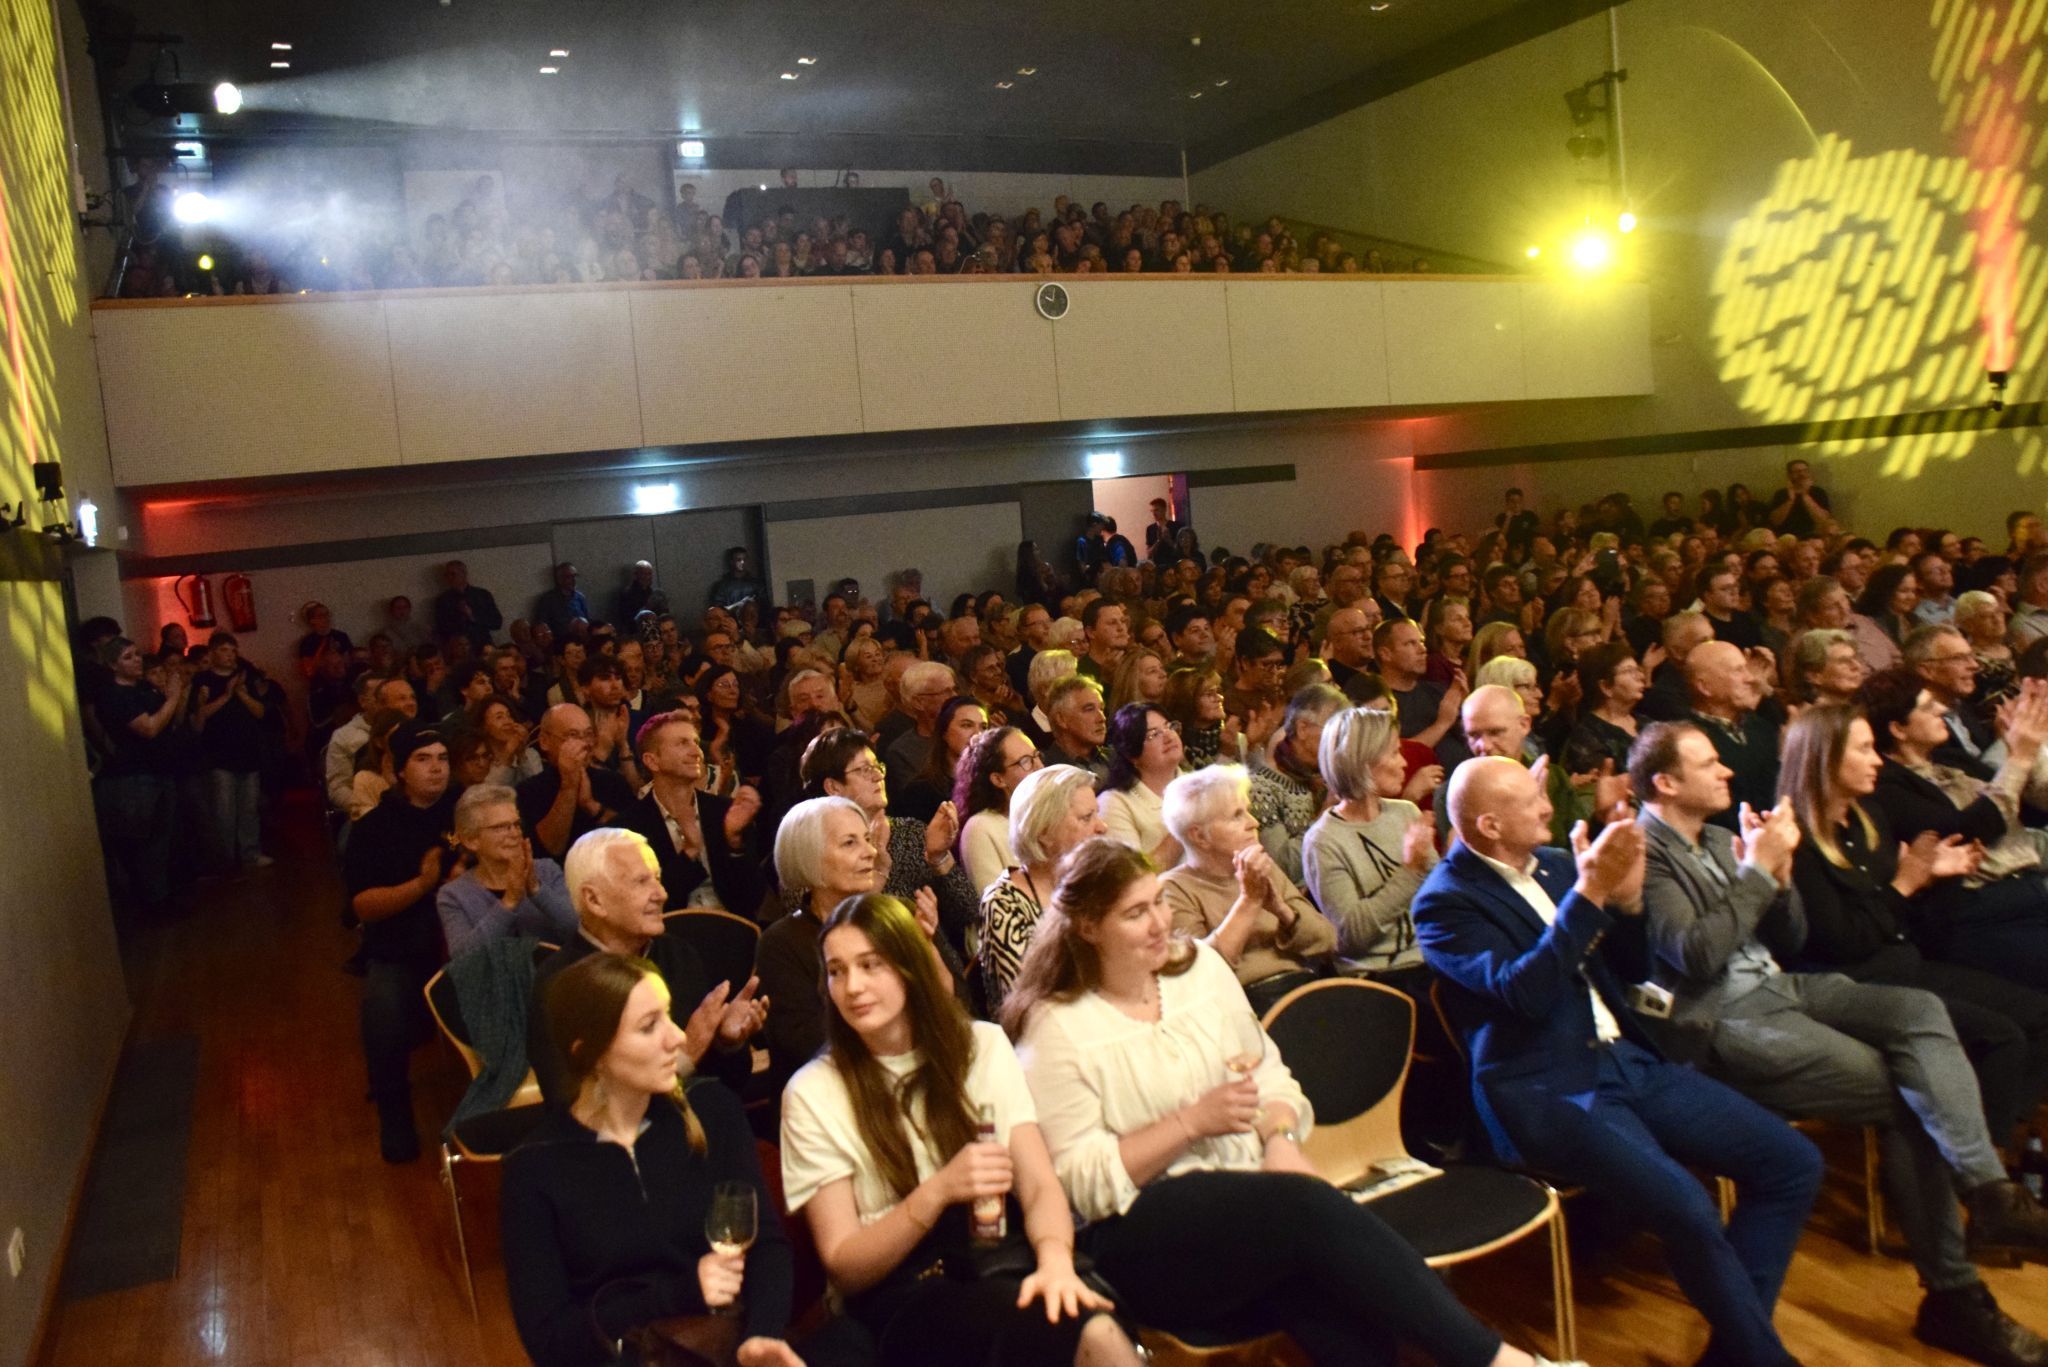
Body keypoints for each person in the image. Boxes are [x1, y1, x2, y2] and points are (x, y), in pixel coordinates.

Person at [1008, 838, 1574, 1367]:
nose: (1161, 923)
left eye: (1159, 902)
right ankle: (1501, 1361)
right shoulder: (1058, 1026)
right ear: (1086, 928)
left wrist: (1278, 1137)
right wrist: (1189, 1123)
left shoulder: (1199, 971)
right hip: (1144, 1239)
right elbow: (1078, 1183)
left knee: (1332, 1296)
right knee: (1303, 1213)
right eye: (1136, 914)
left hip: (1257, 1208)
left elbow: (1268, 1075)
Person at [1632, 721, 2048, 1360]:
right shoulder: (1641, 851)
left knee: (1921, 1011)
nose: (1725, 771)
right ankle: (1956, 1294)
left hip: (1785, 987)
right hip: (1723, 1020)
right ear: (1664, 782)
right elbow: (1694, 956)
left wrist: (1781, 873)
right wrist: (1758, 874)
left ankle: (1990, 1195)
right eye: (1709, 763)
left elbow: (1790, 941)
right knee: (1914, 1094)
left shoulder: (1717, 838)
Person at [1413, 755, 1823, 1366]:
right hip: (1548, 1088)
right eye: (1532, 801)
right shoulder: (1444, 903)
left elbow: (1629, 973)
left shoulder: (1555, 866)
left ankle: (1738, 1353)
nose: (1550, 807)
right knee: (1687, 1206)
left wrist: (1626, 907)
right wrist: (1592, 892)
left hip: (1627, 1061)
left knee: (1793, 1163)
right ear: (1491, 826)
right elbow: (1526, 995)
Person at [780, 893, 1139, 1367]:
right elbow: (844, 1264)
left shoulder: (981, 1046)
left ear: (910, 966)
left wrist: (1055, 1263)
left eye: (871, 965)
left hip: (1000, 1253)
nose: (853, 987)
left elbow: (1038, 1185)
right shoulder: (813, 1092)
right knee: (1078, 1335)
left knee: (1091, 1314)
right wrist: (939, 1191)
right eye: (837, 970)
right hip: (905, 1291)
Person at [501, 953, 806, 1367]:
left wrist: (760, 1341)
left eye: (668, 1016)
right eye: (649, 1027)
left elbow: (766, 1246)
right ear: (590, 1053)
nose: (678, 1037)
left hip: (723, 1348)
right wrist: (677, 1294)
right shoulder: (535, 1170)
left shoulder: (710, 1109)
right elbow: (552, 1341)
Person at [1777, 705, 2048, 1155]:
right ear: (1824, 759)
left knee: (2040, 1016)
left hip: (1906, 961)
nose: (1877, 760)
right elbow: (1846, 941)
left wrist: (1937, 877)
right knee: (2002, 1035)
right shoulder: (1798, 840)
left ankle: (1999, 1152)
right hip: (1855, 982)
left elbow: (1907, 922)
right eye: (1864, 750)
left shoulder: (1867, 819)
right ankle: (1984, 1171)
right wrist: (1907, 883)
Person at [529, 827, 764, 1105]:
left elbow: (729, 1082)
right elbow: (571, 1103)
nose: (662, 894)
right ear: (594, 900)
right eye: (641, 882)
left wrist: (726, 1043)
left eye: (659, 879)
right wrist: (683, 1057)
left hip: (704, 1127)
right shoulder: (560, 982)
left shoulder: (679, 954)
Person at [1860, 670, 2048, 989]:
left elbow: (2032, 803)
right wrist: (2018, 758)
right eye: (1928, 707)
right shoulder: (1886, 786)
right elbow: (1966, 831)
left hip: (2029, 883)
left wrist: (2033, 750)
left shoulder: (1949, 758)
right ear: (1898, 728)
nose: (1943, 711)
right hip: (1984, 908)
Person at [760, 796, 954, 1093]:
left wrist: (924, 947)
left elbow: (956, 1005)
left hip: (926, 1075)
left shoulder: (903, 913)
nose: (871, 852)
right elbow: (809, 1043)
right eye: (850, 843)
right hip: (837, 1093)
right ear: (808, 856)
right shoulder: (782, 943)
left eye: (867, 839)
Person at [341, 720, 458, 1162]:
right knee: (383, 1009)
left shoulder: (463, 810)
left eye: (443, 759)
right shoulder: (375, 828)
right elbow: (363, 906)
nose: (437, 770)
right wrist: (425, 883)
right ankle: (394, 1114)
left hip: (465, 938)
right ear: (400, 770)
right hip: (402, 945)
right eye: (423, 760)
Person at [1160, 765, 1338, 1012]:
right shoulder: (1173, 889)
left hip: (1304, 992)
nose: (1253, 823)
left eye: (1248, 811)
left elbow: (1328, 940)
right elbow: (1201, 974)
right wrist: (1249, 901)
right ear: (1199, 836)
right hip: (1244, 1008)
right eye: (1236, 816)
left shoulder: (1263, 868)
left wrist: (1282, 910)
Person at [801, 730, 974, 958]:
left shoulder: (912, 832)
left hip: (928, 964)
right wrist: (878, 870)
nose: (878, 776)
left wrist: (938, 857)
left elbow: (968, 912)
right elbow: (817, 929)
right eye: (864, 770)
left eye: (877, 766)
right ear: (833, 787)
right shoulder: (813, 851)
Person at [1303, 706, 1438, 989]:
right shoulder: (1324, 840)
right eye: (1393, 753)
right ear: (1361, 761)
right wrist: (1411, 869)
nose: (1403, 763)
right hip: (1378, 981)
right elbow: (1351, 936)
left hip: (1433, 962)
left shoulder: (1406, 813)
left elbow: (1440, 899)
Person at [978, 764, 1106, 1014]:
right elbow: (1031, 1002)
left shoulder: (1097, 883)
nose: (1102, 827)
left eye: (1097, 815)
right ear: (1044, 832)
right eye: (1086, 818)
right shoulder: (1004, 903)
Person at [618, 711, 769, 917]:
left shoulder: (725, 812)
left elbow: (751, 900)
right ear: (652, 761)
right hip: (667, 939)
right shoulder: (630, 828)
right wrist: (689, 853)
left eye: (695, 742)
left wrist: (734, 844)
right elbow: (645, 906)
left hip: (732, 932)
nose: (696, 752)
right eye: (682, 743)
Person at [93, 636, 188, 910]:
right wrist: (173, 697)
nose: (136, 660)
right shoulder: (114, 695)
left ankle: (164, 896)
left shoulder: (144, 688)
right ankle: (152, 902)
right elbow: (148, 728)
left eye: (136, 654)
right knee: (146, 844)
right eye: (127, 657)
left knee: (165, 840)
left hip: (160, 771)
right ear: (112, 665)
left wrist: (174, 696)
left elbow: (172, 721)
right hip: (136, 776)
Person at [437, 782, 576, 956]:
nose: (514, 833)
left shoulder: (547, 870)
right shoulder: (453, 895)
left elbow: (578, 931)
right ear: (471, 840)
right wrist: (508, 902)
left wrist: (537, 890)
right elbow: (463, 959)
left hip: (553, 978)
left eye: (516, 824)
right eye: (500, 827)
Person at [189, 630, 271, 872]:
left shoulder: (244, 677)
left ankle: (250, 854)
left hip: (248, 752)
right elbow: (198, 718)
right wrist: (226, 695)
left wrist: (242, 693)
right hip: (218, 755)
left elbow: (260, 713)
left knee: (249, 809)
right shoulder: (202, 681)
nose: (230, 655)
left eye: (233, 650)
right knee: (223, 812)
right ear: (212, 652)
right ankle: (225, 860)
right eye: (225, 650)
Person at [1249, 684, 1348, 884]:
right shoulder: (1261, 787)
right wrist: (1325, 814)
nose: (1341, 741)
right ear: (1302, 728)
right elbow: (1281, 865)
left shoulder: (1327, 777)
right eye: (1334, 730)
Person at [518, 704, 639, 859]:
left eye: (589, 735)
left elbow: (635, 839)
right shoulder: (529, 791)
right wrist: (569, 786)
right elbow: (549, 849)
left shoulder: (613, 782)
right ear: (544, 741)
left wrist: (591, 806)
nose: (585, 744)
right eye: (573, 735)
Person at [953, 725, 1041, 895]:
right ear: (998, 779)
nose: (1039, 766)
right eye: (1025, 761)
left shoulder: (1045, 816)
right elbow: (996, 905)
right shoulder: (981, 828)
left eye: (1036, 756)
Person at [1097, 704, 1183, 868]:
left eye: (1169, 726)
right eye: (1154, 734)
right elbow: (1132, 876)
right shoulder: (1114, 803)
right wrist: (1185, 826)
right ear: (1132, 755)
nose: (1169, 736)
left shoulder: (1199, 785)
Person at [890, 697, 986, 824]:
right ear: (944, 732)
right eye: (967, 725)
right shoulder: (919, 793)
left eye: (984, 727)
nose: (977, 735)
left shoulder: (994, 784)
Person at [1038, 675, 1110, 783]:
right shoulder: (1047, 774)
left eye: (1101, 709)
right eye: (1089, 709)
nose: (1102, 718)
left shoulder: (1117, 760)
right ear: (1062, 720)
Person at [434, 559, 503, 655]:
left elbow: (497, 622)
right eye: (447, 575)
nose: (450, 578)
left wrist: (473, 617)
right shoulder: (443, 600)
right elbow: (441, 629)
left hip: (482, 645)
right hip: (457, 650)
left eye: (453, 574)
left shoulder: (482, 595)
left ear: (464, 574)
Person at [1765, 459, 1832, 538]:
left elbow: (1823, 520)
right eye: (1797, 471)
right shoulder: (1781, 493)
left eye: (1805, 471)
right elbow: (1775, 521)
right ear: (1789, 475)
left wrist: (1805, 495)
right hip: (1786, 536)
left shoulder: (1818, 492)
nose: (1802, 474)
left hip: (1813, 536)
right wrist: (1790, 500)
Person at [534, 562, 591, 640]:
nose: (574, 580)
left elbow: (587, 620)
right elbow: (542, 626)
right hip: (561, 642)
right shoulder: (548, 599)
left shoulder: (580, 597)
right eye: (569, 577)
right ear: (559, 579)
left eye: (575, 576)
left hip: (582, 640)